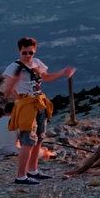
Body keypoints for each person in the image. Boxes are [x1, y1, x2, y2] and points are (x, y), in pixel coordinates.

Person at [5, 38, 74, 186]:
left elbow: (46, 77)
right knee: (27, 141)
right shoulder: (12, 68)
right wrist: (15, 81)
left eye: (31, 52)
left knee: (38, 140)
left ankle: (33, 170)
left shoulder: (37, 63)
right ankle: (21, 176)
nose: (28, 55)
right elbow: (7, 91)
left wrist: (63, 72)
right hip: (26, 105)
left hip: (40, 103)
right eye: (25, 52)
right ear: (19, 51)